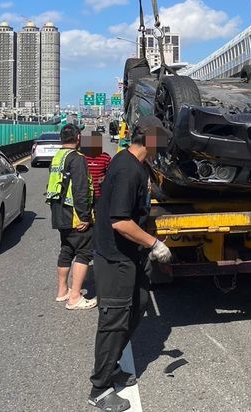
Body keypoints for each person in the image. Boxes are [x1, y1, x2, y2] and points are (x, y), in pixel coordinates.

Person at [88, 116, 172, 412]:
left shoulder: (137, 165)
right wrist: (154, 244)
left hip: (131, 255)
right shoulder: (127, 170)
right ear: (150, 140)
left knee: (139, 305)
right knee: (114, 320)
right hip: (115, 258)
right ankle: (100, 388)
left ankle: (112, 367)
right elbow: (120, 221)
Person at [46, 123, 97, 310]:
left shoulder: (58, 157)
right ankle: (75, 297)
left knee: (66, 249)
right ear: (78, 139)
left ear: (61, 139)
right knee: (84, 251)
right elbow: (80, 189)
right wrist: (84, 216)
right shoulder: (77, 159)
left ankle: (62, 291)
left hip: (59, 213)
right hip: (75, 214)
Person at [81, 132, 112, 203]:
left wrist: (105, 178)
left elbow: (111, 173)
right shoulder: (81, 157)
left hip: (100, 195)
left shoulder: (105, 157)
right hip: (84, 195)